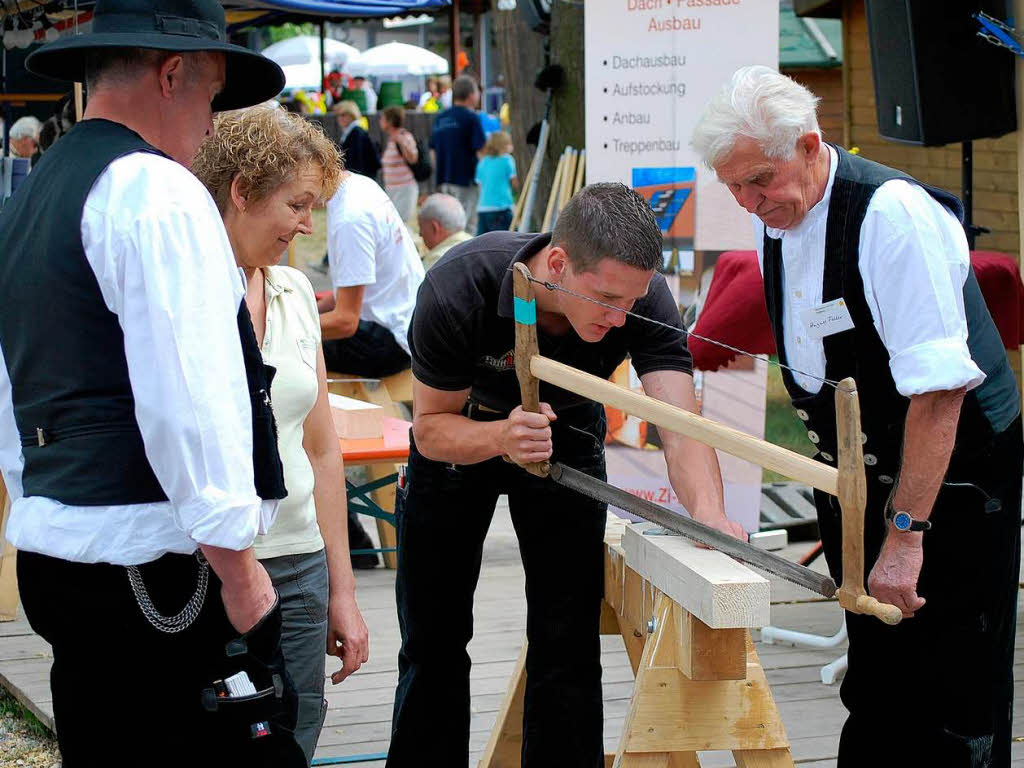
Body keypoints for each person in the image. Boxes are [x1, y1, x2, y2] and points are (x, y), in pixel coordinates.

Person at [0, 0, 307, 766]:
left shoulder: (28, 200)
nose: (210, 128)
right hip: (155, 570)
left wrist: (38, 494)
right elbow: (187, 399)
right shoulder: (155, 192)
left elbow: (13, 394)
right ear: (172, 74)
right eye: (210, 98)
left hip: (58, 551)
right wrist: (239, 567)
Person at [692, 66, 1022, 768]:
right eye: (733, 187)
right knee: (876, 678)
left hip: (953, 481)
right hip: (856, 475)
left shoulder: (892, 217)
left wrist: (905, 535)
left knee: (953, 693)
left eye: (759, 180)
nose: (749, 202)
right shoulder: (779, 217)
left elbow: (939, 395)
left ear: (810, 145)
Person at [387, 183, 746, 767]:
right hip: (463, 434)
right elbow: (430, 429)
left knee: (567, 635)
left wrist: (708, 517)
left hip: (568, 433)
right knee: (434, 640)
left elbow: (677, 424)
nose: (618, 317)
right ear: (557, 263)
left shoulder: (642, 295)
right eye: (605, 298)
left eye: (630, 302)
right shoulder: (459, 287)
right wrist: (501, 436)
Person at [193, 107, 370, 766]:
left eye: (315, 207)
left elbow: (322, 447)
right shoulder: (183, 292)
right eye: (297, 204)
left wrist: (342, 593)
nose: (306, 225)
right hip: (207, 566)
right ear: (240, 191)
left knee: (298, 726)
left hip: (299, 563)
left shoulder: (296, 291)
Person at [319, 170, 425, 567]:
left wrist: (282, 320)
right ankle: (349, 533)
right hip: (400, 324)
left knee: (282, 364)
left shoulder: (348, 217)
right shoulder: (360, 185)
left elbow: (345, 321)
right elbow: (356, 292)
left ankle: (345, 536)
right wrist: (316, 303)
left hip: (387, 343)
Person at [430, 75, 485, 232]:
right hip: (466, 180)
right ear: (471, 95)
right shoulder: (471, 118)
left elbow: (433, 151)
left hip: (443, 180)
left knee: (448, 224)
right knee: (465, 227)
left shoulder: (441, 118)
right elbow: (481, 149)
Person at [379, 106, 419, 224]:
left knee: (400, 224)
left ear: (390, 121)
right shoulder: (390, 139)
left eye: (383, 119)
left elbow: (413, 158)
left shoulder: (403, 136)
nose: (380, 121)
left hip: (404, 189)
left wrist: (402, 142)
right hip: (392, 190)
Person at [475, 130, 518, 234]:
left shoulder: (482, 162)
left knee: (484, 242)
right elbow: (514, 183)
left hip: (483, 208)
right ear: (504, 145)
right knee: (507, 239)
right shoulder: (507, 160)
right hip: (501, 207)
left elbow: (479, 185)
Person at [418, 192, 471, 270]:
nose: (420, 234)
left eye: (421, 228)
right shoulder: (476, 246)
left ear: (434, 227)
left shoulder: (437, 261)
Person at [333, 100, 380, 180]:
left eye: (343, 115)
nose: (339, 118)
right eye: (338, 115)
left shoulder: (356, 133)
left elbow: (357, 162)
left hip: (361, 179)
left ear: (352, 115)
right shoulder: (351, 132)